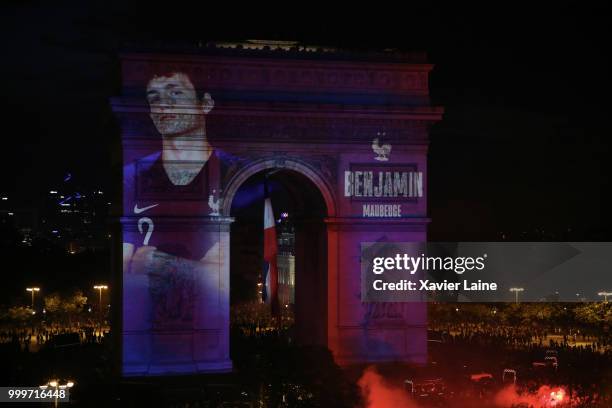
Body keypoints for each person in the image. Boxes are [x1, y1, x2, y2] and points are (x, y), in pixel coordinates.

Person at [122, 72, 228, 373]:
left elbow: (136, 263)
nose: (162, 105)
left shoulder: (231, 166)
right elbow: (127, 266)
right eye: (153, 98)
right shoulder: (131, 177)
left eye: (174, 93)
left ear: (205, 104)